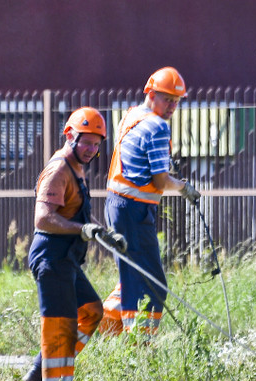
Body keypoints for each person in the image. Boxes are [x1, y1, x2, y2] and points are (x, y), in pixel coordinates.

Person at [21, 107, 127, 381]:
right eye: (86, 142)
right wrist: (83, 229)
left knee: (92, 311)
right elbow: (42, 219)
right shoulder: (58, 170)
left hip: (66, 260)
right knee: (60, 324)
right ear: (69, 135)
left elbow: (77, 215)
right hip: (50, 258)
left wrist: (102, 232)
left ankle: (42, 367)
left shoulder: (77, 167)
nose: (92, 150)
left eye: (96, 144)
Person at [100, 67, 201, 337]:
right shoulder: (157, 126)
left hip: (117, 204)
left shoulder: (131, 115)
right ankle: (140, 348)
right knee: (153, 284)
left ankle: (101, 331)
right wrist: (184, 187)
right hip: (134, 210)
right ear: (151, 93)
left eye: (177, 101)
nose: (172, 106)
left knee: (131, 276)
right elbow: (159, 182)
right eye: (167, 99)